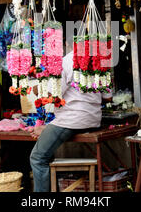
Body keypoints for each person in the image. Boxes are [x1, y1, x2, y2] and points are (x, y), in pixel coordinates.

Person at [29, 36, 113, 192]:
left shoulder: (67, 60)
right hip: (93, 119)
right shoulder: (97, 59)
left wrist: (36, 89)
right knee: (46, 147)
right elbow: (108, 97)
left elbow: (53, 95)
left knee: (37, 158)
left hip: (72, 121)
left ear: (67, 43)